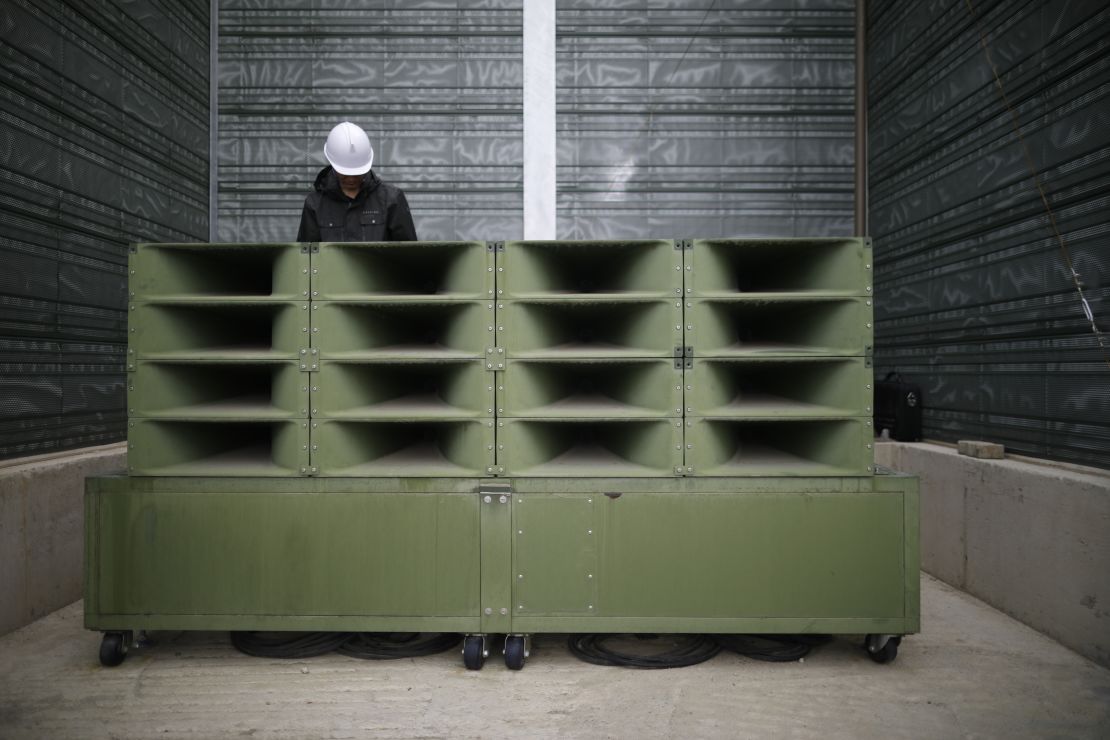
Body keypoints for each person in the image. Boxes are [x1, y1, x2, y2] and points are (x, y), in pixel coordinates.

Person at [296, 121, 417, 242]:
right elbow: (307, 256)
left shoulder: (391, 200)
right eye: (345, 173)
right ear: (333, 164)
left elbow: (408, 254)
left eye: (357, 173)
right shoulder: (315, 205)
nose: (351, 178)